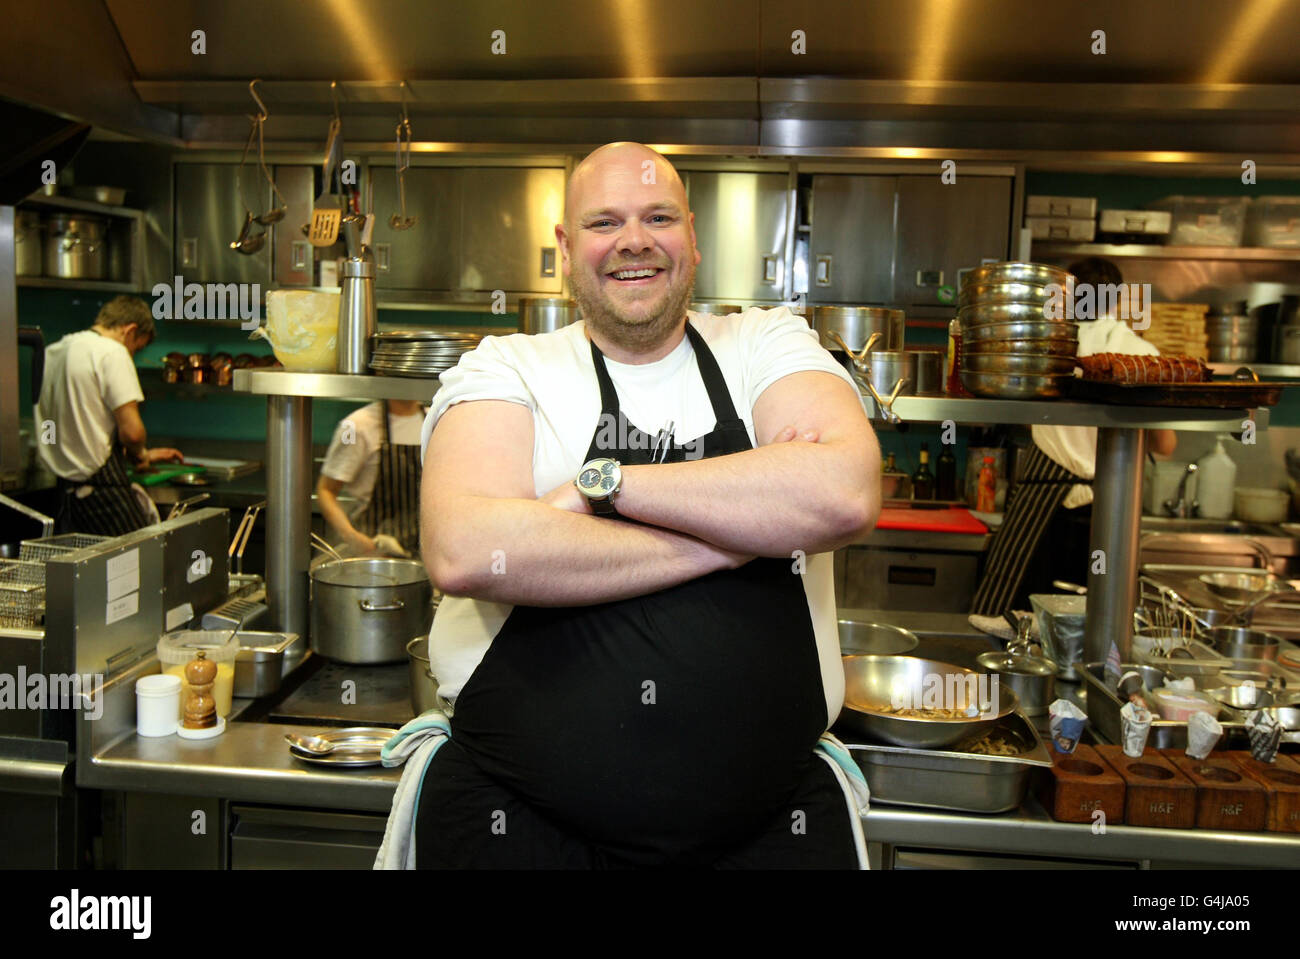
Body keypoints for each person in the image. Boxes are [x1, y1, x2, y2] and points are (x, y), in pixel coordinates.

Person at [413, 142, 881, 868]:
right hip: (517, 829)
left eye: (657, 216)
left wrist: (603, 488)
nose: (634, 239)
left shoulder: (768, 343)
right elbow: (466, 547)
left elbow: (844, 490)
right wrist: (739, 532)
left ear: (692, 236)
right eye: (604, 222)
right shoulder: (506, 366)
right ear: (566, 249)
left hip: (770, 835)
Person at [970, 257, 1177, 614]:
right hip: (1112, 508)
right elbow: (1165, 446)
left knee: (1012, 613)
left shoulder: (1049, 347)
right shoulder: (1143, 356)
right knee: (1098, 615)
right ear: (1117, 298)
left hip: (1042, 497)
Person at [35, 296, 183, 535]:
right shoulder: (112, 352)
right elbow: (132, 433)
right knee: (142, 563)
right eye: (137, 349)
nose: (132, 355)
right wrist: (140, 454)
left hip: (63, 494)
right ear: (130, 331)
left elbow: (73, 424)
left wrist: (146, 454)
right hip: (100, 490)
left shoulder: (53, 352)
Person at [316, 399, 425, 557]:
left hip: (423, 554)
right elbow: (326, 490)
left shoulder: (436, 420)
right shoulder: (354, 426)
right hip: (372, 554)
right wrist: (352, 537)